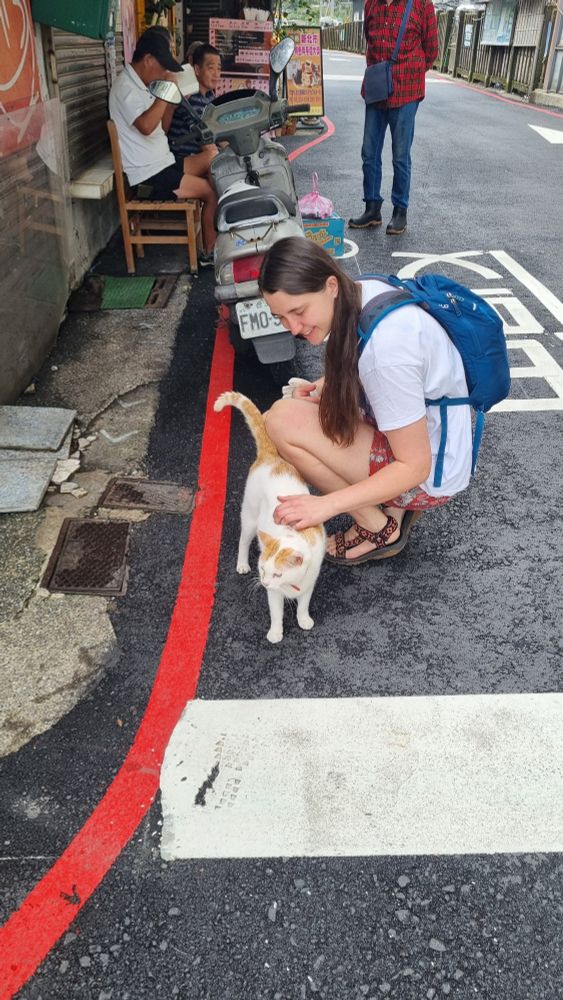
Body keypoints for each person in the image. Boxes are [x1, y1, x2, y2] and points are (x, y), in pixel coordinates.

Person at [259, 237, 472, 566]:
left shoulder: (386, 352)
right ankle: (391, 508)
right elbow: (377, 368)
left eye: (298, 311)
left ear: (330, 285)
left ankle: (379, 527)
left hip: (430, 474)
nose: (293, 328)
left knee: (279, 421)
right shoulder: (361, 289)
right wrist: (325, 386)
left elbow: (414, 466)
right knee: (294, 412)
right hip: (435, 433)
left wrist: (327, 505)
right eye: (281, 318)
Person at [108, 27, 217, 266]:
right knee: (210, 192)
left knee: (214, 161)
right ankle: (210, 255)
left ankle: (213, 243)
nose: (166, 72)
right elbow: (146, 125)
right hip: (150, 175)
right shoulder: (125, 88)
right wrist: (165, 92)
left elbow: (162, 128)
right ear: (148, 60)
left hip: (165, 162)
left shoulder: (142, 84)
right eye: (163, 66)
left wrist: (174, 101)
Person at [349, 0, 438, 236]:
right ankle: (372, 207)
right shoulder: (371, 4)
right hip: (377, 87)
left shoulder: (421, 5)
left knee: (400, 155)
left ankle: (400, 211)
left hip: (407, 90)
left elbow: (431, 50)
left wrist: (411, 70)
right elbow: (370, 39)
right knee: (369, 152)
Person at [167, 44, 222, 181]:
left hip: (200, 156)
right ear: (197, 69)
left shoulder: (210, 97)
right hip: (181, 160)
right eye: (211, 68)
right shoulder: (188, 97)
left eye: (219, 69)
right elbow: (206, 138)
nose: (216, 74)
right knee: (217, 161)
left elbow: (220, 132)